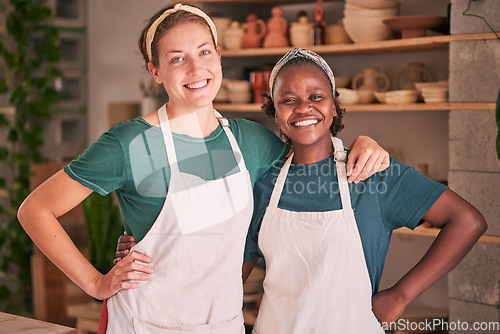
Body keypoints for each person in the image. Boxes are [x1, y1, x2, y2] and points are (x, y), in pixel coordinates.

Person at [17, 4, 388, 333]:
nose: (196, 68)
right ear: (155, 71)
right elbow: (35, 210)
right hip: (143, 323)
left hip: (222, 324)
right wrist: (96, 284)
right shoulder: (130, 143)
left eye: (204, 52)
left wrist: (363, 143)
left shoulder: (250, 142)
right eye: (177, 58)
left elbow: (314, 146)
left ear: (219, 57)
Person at [238, 48, 486, 333]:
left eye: (316, 97)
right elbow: (233, 284)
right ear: (276, 113)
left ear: (333, 105)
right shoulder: (263, 184)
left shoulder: (372, 173)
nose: (304, 107)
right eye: (288, 100)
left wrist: (400, 295)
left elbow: (468, 221)